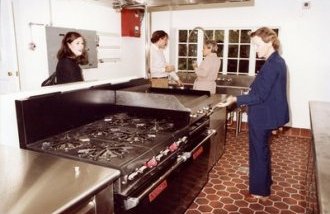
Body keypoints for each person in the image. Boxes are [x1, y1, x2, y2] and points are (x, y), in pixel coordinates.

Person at [215, 27, 289, 200]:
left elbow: (260, 95)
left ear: (270, 42)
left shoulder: (273, 64)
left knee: (258, 152)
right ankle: (265, 183)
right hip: (267, 113)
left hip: (263, 115)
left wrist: (235, 99)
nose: (254, 49)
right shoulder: (275, 61)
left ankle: (259, 191)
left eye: (256, 45)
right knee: (262, 150)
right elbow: (264, 89)